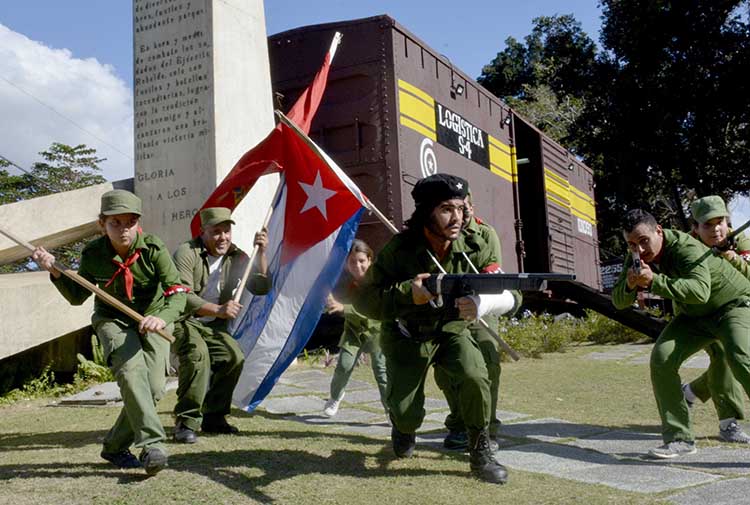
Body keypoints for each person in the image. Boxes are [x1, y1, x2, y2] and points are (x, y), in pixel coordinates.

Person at [354, 173, 517, 484]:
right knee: (407, 414)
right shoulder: (399, 250)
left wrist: (482, 304)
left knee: (475, 375)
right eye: (445, 209)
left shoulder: (475, 244)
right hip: (407, 336)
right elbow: (364, 300)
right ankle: (402, 426)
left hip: (451, 330)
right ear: (425, 211)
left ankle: (480, 451)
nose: (456, 217)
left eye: (459, 208)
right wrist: (407, 293)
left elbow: (511, 291)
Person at [31, 189, 186, 475]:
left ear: (138, 222)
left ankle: (114, 447)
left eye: (129, 222)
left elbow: (177, 293)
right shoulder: (93, 254)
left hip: (153, 320)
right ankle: (152, 445)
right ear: (102, 224)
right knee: (130, 375)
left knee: (151, 390)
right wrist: (54, 270)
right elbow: (78, 295)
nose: (123, 229)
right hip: (113, 321)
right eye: (115, 223)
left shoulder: (153, 248)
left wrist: (161, 318)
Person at [612, 208, 750, 459]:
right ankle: (679, 439)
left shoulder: (686, 248)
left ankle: (725, 419)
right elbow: (618, 302)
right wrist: (631, 284)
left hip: (732, 305)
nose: (639, 250)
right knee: (662, 359)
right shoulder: (634, 255)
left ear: (659, 231)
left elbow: (699, 292)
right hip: (694, 315)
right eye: (632, 244)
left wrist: (654, 281)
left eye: (644, 241)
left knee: (739, 357)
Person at [171, 207, 270, 443]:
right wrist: (218, 309)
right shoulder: (187, 252)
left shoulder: (237, 256)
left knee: (233, 357)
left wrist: (262, 254)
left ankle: (214, 417)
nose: (223, 237)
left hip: (214, 326)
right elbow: (182, 295)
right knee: (198, 356)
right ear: (203, 232)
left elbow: (260, 287)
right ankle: (185, 421)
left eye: (227, 231)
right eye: (216, 232)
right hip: (184, 320)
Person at [434, 189, 522, 450]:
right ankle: (459, 424)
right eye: (453, 207)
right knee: (445, 370)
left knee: (488, 365)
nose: (461, 212)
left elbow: (493, 277)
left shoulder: (485, 234)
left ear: (470, 206)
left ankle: (486, 427)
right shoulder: (439, 234)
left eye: (464, 206)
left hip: (481, 309)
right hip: (451, 311)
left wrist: (479, 305)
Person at [680, 196, 750, 443]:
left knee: (737, 359)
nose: (715, 229)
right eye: (707, 225)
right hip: (705, 313)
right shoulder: (689, 248)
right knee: (723, 356)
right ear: (695, 229)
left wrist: (732, 258)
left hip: (740, 310)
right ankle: (727, 422)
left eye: (719, 222)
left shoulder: (740, 241)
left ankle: (689, 392)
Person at [322, 239, 388, 417]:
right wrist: (327, 297)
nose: (357, 266)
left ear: (370, 260)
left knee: (382, 372)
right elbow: (333, 300)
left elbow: (374, 311)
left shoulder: (378, 281)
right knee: (344, 366)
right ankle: (335, 397)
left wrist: (344, 308)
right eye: (352, 262)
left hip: (377, 332)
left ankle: (390, 409)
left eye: (362, 261)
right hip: (353, 332)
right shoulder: (343, 281)